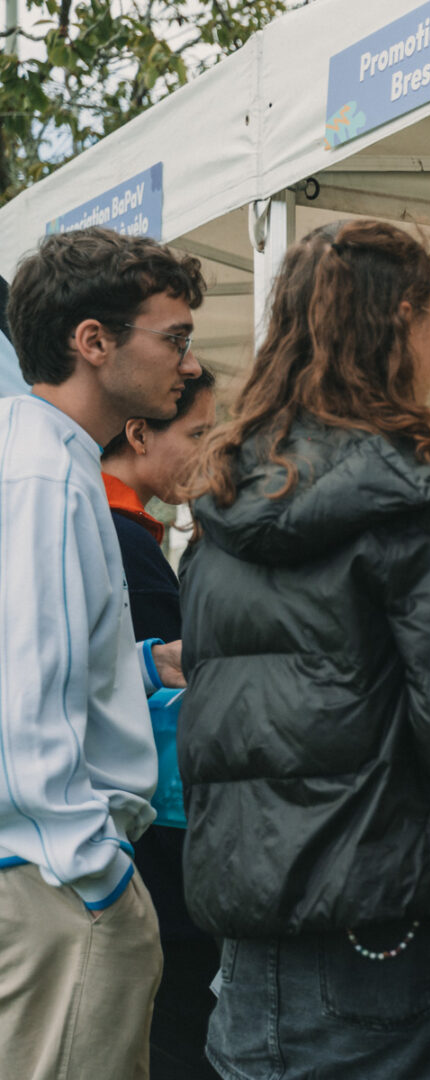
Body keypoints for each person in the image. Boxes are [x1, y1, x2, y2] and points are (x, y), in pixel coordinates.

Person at [178, 220, 430, 1078]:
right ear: (401, 323)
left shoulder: (218, 497)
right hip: (382, 942)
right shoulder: (422, 497)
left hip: (250, 949)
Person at [0, 227, 198, 1079]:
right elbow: (24, 702)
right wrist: (98, 880)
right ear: (93, 342)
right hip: (57, 882)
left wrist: (142, 664)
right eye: (175, 339)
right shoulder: (42, 472)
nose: (188, 366)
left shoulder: (48, 457)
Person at [100, 366, 219, 1079]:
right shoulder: (129, 546)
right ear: (139, 432)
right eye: (198, 434)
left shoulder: (116, 529)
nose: (207, 457)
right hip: (157, 838)